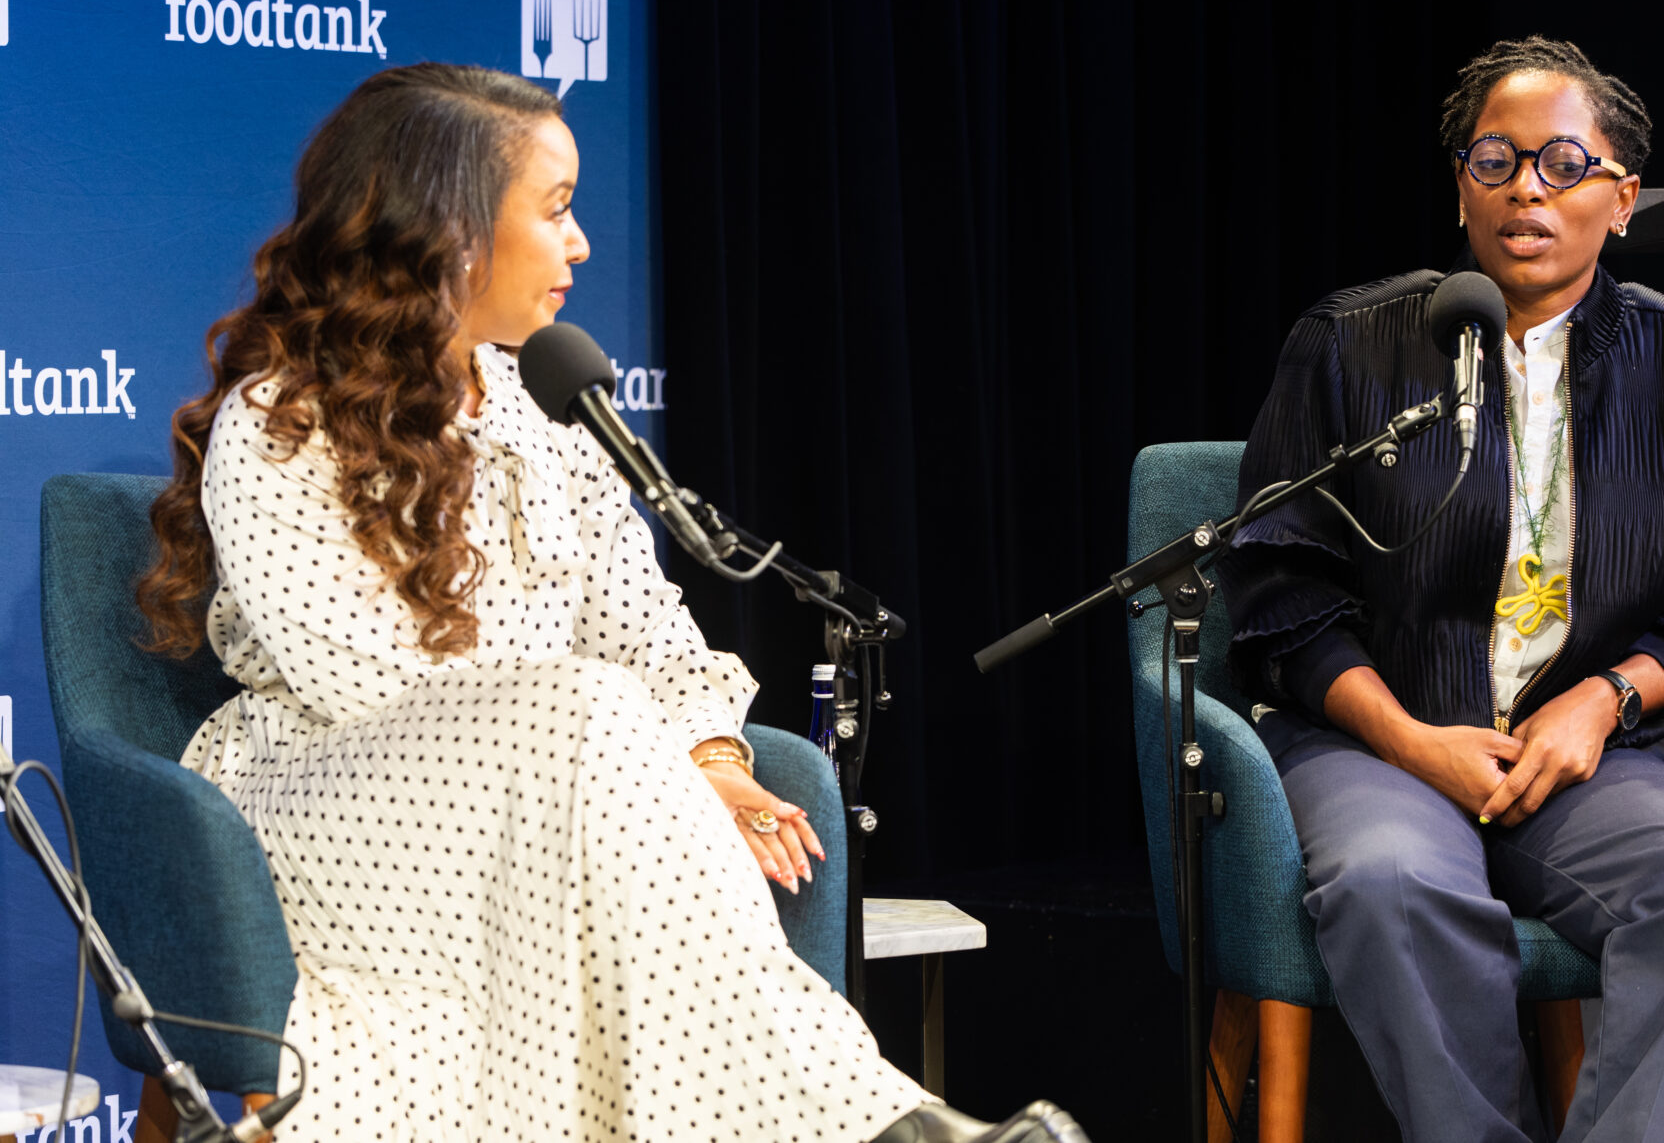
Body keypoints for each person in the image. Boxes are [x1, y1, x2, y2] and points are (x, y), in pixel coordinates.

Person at [137, 63, 1085, 1143]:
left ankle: (880, 1124)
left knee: (592, 718)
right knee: (580, 709)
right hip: (326, 806)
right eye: (555, 210)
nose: (582, 242)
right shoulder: (281, 419)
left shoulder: (548, 418)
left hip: (555, 797)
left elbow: (645, 627)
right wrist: (602, 749)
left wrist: (709, 763)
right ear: (448, 232)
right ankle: (878, 1125)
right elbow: (359, 681)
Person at [1214, 37, 1664, 1142]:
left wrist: (1607, 699)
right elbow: (1278, 587)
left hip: (1587, 757)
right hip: (1374, 742)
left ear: (1620, 199)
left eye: (1561, 164)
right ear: (1459, 189)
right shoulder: (1349, 345)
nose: (1526, 187)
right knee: (1391, 884)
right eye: (1494, 160)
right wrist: (1404, 737)